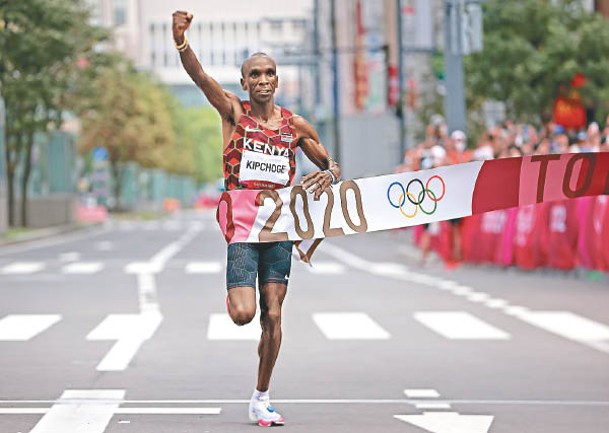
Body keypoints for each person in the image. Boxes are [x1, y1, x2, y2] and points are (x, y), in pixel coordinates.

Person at [172, 11, 341, 427]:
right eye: (255, 74)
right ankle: (234, 296)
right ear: (245, 82)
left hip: (280, 227)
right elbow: (200, 77)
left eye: (270, 73)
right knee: (245, 315)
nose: (263, 79)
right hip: (244, 229)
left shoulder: (294, 125)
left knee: (274, 314)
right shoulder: (232, 111)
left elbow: (329, 162)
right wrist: (181, 41)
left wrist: (330, 173)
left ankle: (261, 397)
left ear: (276, 81)